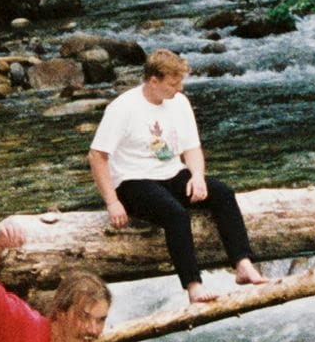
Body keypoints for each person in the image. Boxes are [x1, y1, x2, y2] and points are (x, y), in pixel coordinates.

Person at [89, 48, 265, 304]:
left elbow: (192, 147)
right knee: (176, 215)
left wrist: (197, 176)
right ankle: (194, 286)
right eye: (173, 83)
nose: (179, 88)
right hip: (132, 181)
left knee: (224, 194)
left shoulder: (179, 102)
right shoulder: (123, 108)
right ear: (153, 81)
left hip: (171, 173)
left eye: (180, 81)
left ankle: (243, 264)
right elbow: (97, 156)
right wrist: (112, 201)